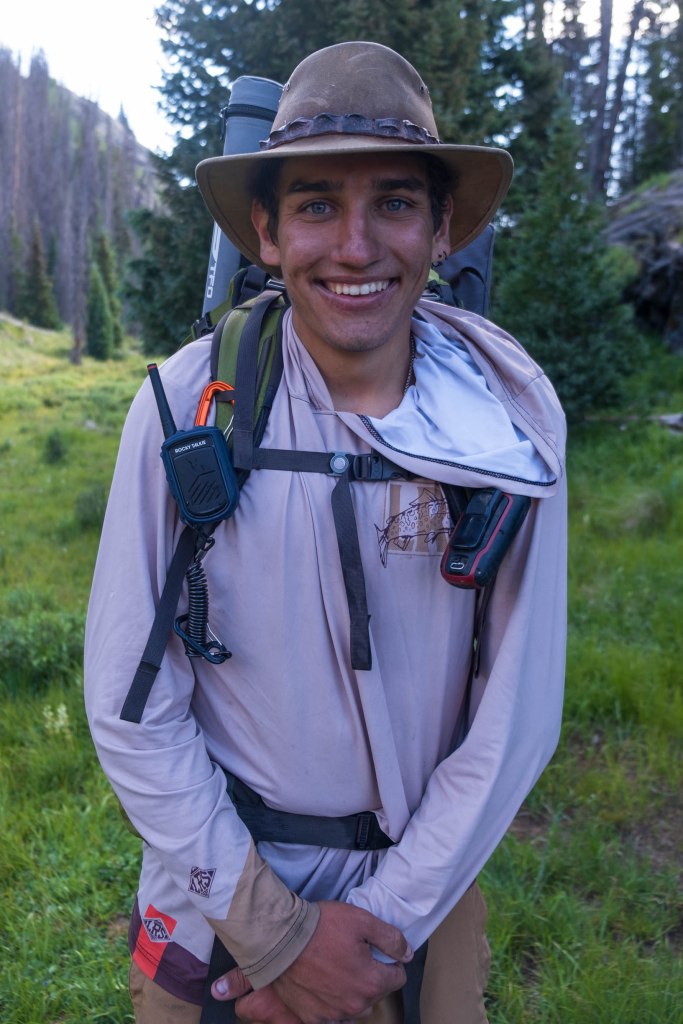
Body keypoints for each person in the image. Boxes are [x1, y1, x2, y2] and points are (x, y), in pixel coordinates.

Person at [84, 40, 567, 1024]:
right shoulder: (186, 407)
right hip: (215, 898)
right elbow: (131, 705)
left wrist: (367, 940)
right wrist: (278, 935)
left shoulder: (506, 423)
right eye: (315, 205)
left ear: (439, 230)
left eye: (392, 202)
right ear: (265, 230)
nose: (354, 246)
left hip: (420, 905)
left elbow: (515, 717)